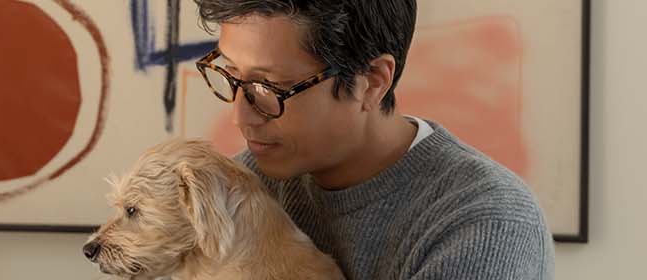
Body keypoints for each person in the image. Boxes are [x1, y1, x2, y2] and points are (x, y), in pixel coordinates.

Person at [191, 0, 554, 278]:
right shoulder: (244, 186)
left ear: (374, 80)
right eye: (232, 74)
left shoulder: (485, 223)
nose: (240, 115)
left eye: (269, 87)